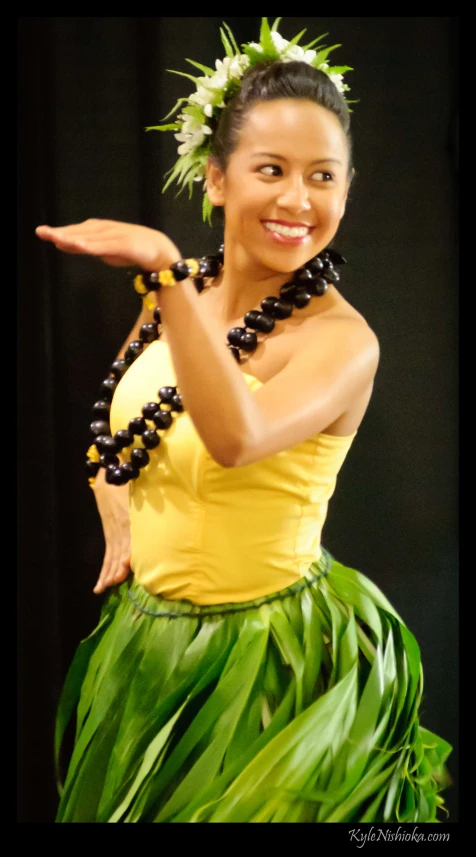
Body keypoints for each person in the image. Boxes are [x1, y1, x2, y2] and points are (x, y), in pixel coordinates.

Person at [36, 18, 451, 823]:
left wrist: (164, 269)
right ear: (217, 178)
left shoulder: (343, 341)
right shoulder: (183, 296)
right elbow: (117, 414)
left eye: (324, 176)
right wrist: (111, 496)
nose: (299, 199)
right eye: (272, 169)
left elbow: (235, 438)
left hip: (270, 675)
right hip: (148, 652)